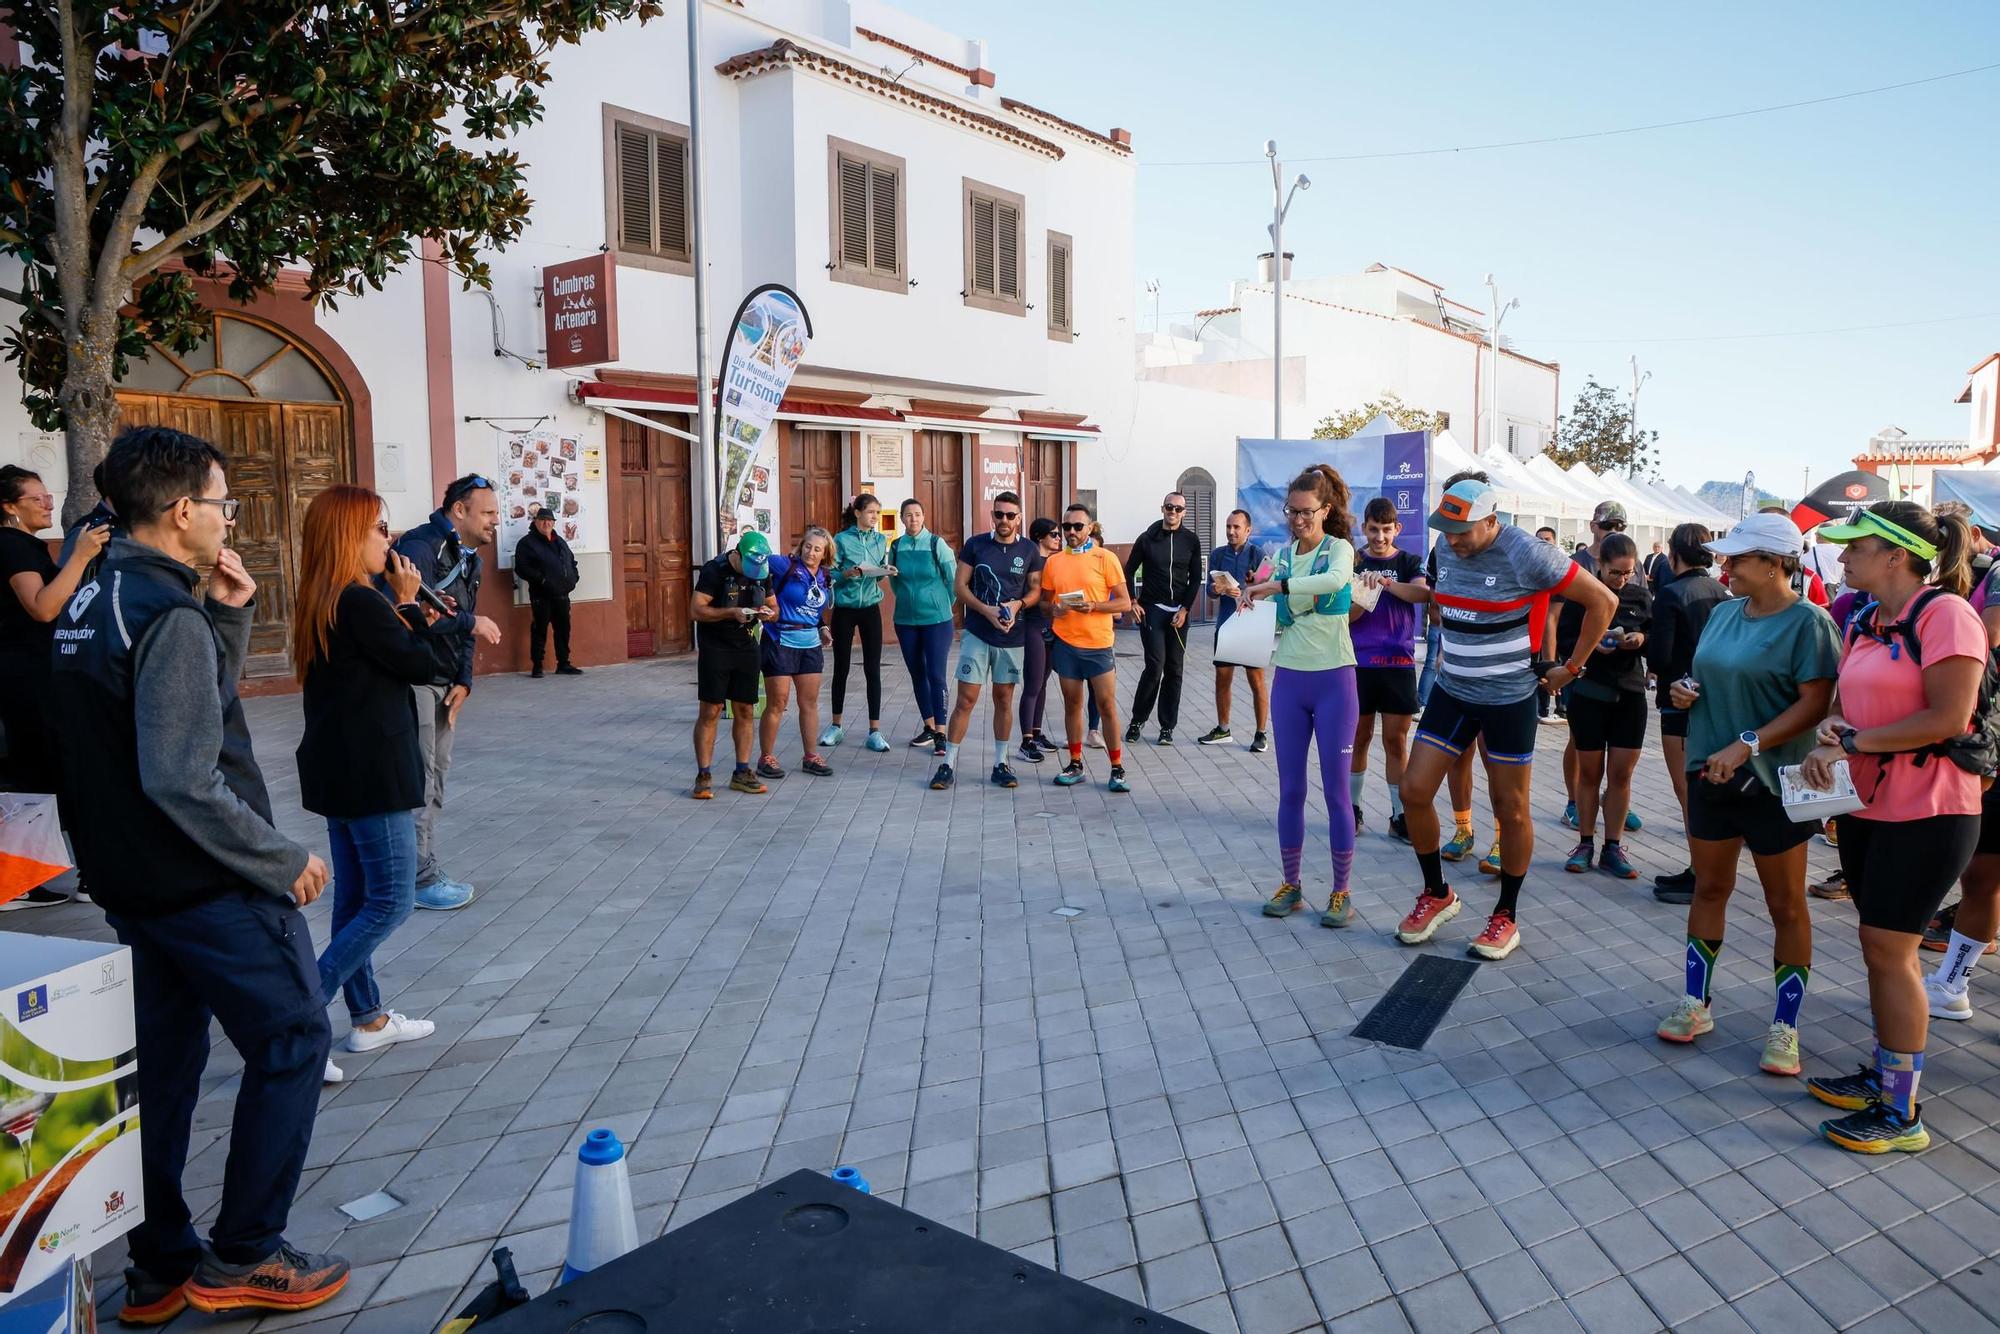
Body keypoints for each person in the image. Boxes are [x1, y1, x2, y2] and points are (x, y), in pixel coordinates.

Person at [50, 426, 349, 1320]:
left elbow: (157, 716)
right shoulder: (164, 613)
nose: (229, 519)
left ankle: (160, 1265)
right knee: (294, 1040)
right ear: (181, 511)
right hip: (206, 883)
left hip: (129, 881)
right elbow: (183, 771)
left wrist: (225, 614)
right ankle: (248, 1253)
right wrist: (279, 855)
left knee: (166, 1072)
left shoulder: (92, 593)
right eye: (221, 503)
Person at [1798, 501, 1984, 1153]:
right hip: (1869, 808)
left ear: (1896, 555)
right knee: (1879, 946)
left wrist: (1850, 745)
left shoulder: (1947, 615)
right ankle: (1884, 1071)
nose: (1841, 557)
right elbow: (1850, 705)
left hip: (1932, 810)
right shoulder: (1868, 621)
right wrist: (1833, 730)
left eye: (1854, 547)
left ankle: (1901, 1113)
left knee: (1892, 949)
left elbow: (1949, 717)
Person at [1396, 476, 1617, 960]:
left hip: (1509, 698)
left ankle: (1506, 915)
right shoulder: (1446, 544)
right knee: (1413, 792)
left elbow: (1604, 601)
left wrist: (1571, 668)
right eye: (1446, 531)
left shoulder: (1526, 552)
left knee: (1510, 807)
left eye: (1463, 531)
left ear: (1492, 521)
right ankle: (1437, 893)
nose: (1453, 541)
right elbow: (1442, 601)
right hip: (1453, 690)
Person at [1654, 513, 1839, 1080]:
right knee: (1709, 888)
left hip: (1776, 783)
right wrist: (1686, 691)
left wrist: (1749, 743)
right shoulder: (1724, 613)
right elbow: (1703, 674)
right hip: (1711, 773)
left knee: (1786, 904)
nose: (1724, 566)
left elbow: (1815, 704)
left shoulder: (1810, 622)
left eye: (1737, 559)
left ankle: (1785, 1027)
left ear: (1775, 563)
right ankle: (1696, 1003)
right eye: (1725, 557)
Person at [293, 486, 441, 1084]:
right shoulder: (360, 600)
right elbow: (418, 664)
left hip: (342, 768)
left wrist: (407, 613)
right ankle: (298, 1022)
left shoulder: (325, 598)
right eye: (379, 528)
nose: (390, 539)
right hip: (372, 771)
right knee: (391, 900)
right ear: (349, 536)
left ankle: (369, 1020)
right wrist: (407, 604)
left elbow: (391, 659)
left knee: (356, 902)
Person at [1246, 466, 1361, 926]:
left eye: (1305, 512)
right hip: (1290, 680)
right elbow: (1272, 607)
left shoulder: (1340, 550)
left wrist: (1280, 586)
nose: (1296, 519)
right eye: (1290, 511)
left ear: (1325, 510)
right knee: (1291, 790)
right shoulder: (1282, 556)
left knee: (1335, 793)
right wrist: (1242, 594)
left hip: (1335, 680)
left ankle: (1340, 892)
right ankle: (1291, 885)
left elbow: (1334, 583)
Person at [392, 475, 504, 910]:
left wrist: (464, 680)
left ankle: (419, 869)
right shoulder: (419, 548)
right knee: (419, 780)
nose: (497, 520)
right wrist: (468, 625)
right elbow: (409, 615)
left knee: (435, 779)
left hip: (443, 683)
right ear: (460, 510)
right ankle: (414, 879)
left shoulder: (470, 556)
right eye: (488, 512)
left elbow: (466, 616)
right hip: (415, 680)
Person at [0, 465, 108, 909]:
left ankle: (24, 879)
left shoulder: (20, 545)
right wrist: (80, 556)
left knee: (38, 776)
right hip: (28, 680)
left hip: (28, 677)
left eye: (47, 496)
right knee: (51, 772)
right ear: (9, 507)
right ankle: (47, 879)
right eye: (36, 498)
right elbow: (42, 609)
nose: (48, 503)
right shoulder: (11, 545)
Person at [1559, 533, 1653, 880]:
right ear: (1600, 565)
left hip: (1629, 693)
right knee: (1590, 772)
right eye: (1615, 573)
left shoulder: (1640, 596)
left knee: (1621, 774)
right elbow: (1565, 640)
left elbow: (1652, 639)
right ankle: (1585, 842)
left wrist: (1640, 639)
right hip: (1589, 692)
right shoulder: (1583, 594)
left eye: (1629, 573)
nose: (1622, 579)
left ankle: (1612, 846)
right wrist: (1592, 645)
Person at [1646, 522, 1731, 902]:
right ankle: (1705, 869)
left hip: (1679, 700)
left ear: (1672, 553)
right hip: (1719, 702)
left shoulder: (1671, 594)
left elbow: (1661, 657)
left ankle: (1702, 873)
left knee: (1688, 792)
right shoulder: (1725, 592)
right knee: (1707, 790)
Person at [935, 492, 1040, 790]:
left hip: (1012, 636)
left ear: (1019, 518)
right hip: (978, 634)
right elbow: (960, 586)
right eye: (998, 514)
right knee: (965, 700)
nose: (1003, 520)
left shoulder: (1029, 549)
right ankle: (947, 764)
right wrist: (987, 611)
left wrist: (1018, 605)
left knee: (1004, 700)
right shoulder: (976, 544)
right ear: (992, 516)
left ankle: (1000, 763)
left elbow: (1035, 591)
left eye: (1010, 515)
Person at [1553, 502, 1641, 836]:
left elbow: (1641, 611)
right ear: (1593, 526)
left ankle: (1617, 806)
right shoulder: (1576, 564)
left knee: (1618, 764)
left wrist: (1639, 637)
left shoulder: (1633, 565)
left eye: (1620, 526)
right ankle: (1574, 802)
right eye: (1608, 526)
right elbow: (1557, 619)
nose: (1614, 533)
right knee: (1579, 741)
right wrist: (1562, 661)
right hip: (1581, 670)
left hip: (1622, 679)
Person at [1346, 498, 1427, 841]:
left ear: (1398, 529)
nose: (1380, 536)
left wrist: (1388, 584)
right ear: (1363, 528)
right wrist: (1363, 595)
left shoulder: (1408, 560)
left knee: (1396, 741)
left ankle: (1399, 815)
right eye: (1373, 529)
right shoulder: (1352, 559)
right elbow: (1345, 617)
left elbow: (1423, 595)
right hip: (1359, 663)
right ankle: (1352, 810)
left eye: (1386, 529)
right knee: (1358, 739)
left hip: (1398, 663)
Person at [1041, 502, 1132, 793]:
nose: (1071, 532)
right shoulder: (1054, 562)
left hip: (1098, 644)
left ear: (1090, 528)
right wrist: (1052, 609)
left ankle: (1117, 768)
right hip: (1066, 643)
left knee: (1106, 706)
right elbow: (1044, 601)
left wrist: (1094, 606)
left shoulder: (1105, 558)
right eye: (1066, 527)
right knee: (1072, 705)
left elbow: (1124, 602)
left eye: (1077, 526)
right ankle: (1075, 763)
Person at [690, 531, 774, 798]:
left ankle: (742, 772)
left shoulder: (763, 570)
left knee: (746, 710)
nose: (754, 574)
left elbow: (775, 607)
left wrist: (767, 614)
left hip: (747, 645)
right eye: (749, 567)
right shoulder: (714, 571)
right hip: (716, 646)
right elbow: (696, 610)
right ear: (737, 555)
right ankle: (703, 775)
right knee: (711, 710)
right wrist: (730, 612)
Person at [1125, 491, 1203, 745]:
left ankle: (1167, 727)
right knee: (1155, 666)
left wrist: (1185, 610)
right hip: (1153, 609)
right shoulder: (1147, 538)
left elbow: (1194, 579)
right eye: (1169, 507)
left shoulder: (1191, 540)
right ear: (1162, 509)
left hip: (1178, 612)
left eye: (1178, 509)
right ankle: (1137, 719)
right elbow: (1127, 572)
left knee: (1174, 669)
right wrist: (1132, 601)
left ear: (1184, 512)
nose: (1173, 512)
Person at [760, 527, 836, 778]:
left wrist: (823, 627)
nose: (811, 552)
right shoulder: (784, 565)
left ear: (825, 553)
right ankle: (766, 758)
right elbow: (757, 560)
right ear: (801, 545)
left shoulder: (824, 576)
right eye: (807, 546)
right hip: (779, 639)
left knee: (809, 703)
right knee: (778, 702)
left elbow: (813, 609)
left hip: (809, 644)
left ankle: (811, 756)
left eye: (817, 549)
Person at [888, 498, 956, 757]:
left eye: (917, 514)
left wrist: (941, 605)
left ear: (924, 517)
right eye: (908, 515)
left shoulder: (937, 544)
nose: (913, 519)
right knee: (917, 673)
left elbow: (953, 580)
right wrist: (908, 602)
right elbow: (895, 583)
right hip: (905, 621)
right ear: (902, 519)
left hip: (937, 621)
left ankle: (941, 732)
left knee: (936, 674)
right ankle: (928, 725)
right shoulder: (896, 546)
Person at [824, 493, 892, 753]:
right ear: (857, 513)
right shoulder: (841, 539)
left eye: (877, 512)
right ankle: (836, 726)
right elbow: (830, 573)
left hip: (870, 608)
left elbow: (877, 573)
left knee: (872, 669)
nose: (875, 517)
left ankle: (874, 731)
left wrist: (886, 572)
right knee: (841, 667)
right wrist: (847, 574)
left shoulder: (879, 540)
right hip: (845, 609)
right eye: (871, 512)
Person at [1200, 508, 1270, 751]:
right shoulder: (1218, 554)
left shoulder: (1258, 554)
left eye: (1236, 527)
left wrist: (1245, 589)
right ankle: (1223, 729)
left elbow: (1266, 589)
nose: (1231, 531)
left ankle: (1261, 733)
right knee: (1222, 678)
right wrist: (1217, 590)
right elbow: (1210, 590)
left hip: (1251, 626)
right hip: (1226, 624)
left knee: (1256, 679)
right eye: (1228, 526)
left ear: (1248, 530)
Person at [512, 506, 581, 679]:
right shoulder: (527, 543)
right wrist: (541, 580)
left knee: (563, 630)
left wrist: (574, 577)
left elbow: (571, 561)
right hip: (541, 595)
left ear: (553, 523)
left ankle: (563, 664)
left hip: (562, 594)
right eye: (542, 520)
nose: (546, 523)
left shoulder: (559, 541)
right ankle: (537, 666)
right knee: (539, 630)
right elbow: (522, 568)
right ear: (535, 522)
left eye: (549, 520)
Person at [1017, 516, 1064, 762]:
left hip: (1052, 625)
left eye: (1059, 534)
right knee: (1033, 683)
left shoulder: (1056, 561)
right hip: (1034, 625)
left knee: (1044, 682)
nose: (1059, 538)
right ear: (1040, 537)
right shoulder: (1032, 560)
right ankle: (1026, 741)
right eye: (1054, 534)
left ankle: (1036, 732)